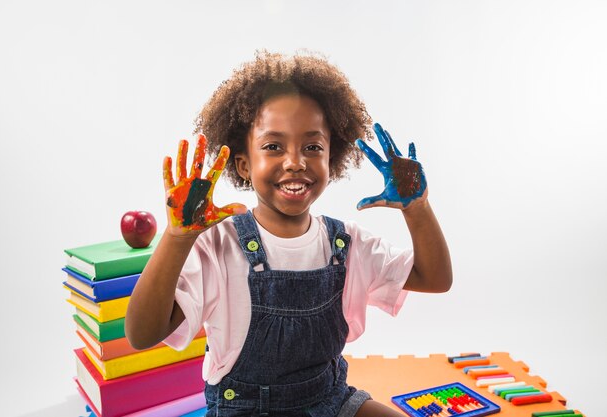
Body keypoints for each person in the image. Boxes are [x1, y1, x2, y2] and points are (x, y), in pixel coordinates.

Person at [125, 50, 452, 417]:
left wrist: (417, 207)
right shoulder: (218, 245)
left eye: (312, 147)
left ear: (332, 158)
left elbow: (435, 278)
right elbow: (141, 332)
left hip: (330, 401)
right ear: (244, 164)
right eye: (273, 146)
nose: (295, 161)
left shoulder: (346, 243)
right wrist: (178, 238)